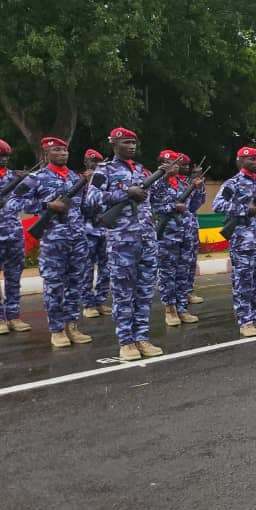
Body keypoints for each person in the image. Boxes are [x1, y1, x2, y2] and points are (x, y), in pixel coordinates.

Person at [85, 127, 164, 360]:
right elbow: (92, 199)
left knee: (144, 292)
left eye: (134, 143)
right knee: (123, 292)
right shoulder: (104, 170)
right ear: (114, 145)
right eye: (126, 142)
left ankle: (142, 337)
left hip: (147, 239)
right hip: (122, 240)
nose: (131, 146)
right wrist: (124, 192)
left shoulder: (142, 170)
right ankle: (126, 341)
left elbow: (158, 199)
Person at [20, 137, 91, 347]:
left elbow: (84, 207)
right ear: (46, 154)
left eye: (65, 150)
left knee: (75, 284)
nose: (63, 153)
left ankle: (72, 325)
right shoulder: (37, 178)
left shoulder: (74, 177)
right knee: (54, 285)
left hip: (77, 239)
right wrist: (46, 205)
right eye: (58, 150)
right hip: (53, 240)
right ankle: (57, 330)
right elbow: (17, 200)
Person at [211, 146, 256, 337]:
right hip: (242, 242)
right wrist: (242, 209)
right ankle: (245, 321)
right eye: (252, 159)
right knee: (243, 283)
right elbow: (217, 205)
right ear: (240, 161)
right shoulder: (232, 183)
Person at [150, 150, 198, 327]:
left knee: (183, 273)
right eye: (172, 163)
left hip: (185, 233)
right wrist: (172, 206)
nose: (176, 166)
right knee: (168, 274)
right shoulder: (154, 182)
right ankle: (170, 309)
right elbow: (152, 205)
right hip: (167, 235)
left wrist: (198, 190)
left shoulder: (182, 183)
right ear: (162, 164)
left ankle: (182, 308)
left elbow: (193, 206)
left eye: (177, 163)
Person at [0, 139, 30, 334]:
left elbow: (27, 203)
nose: (3, 160)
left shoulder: (14, 177)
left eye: (5, 157)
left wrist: (26, 182)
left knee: (13, 276)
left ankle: (13, 315)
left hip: (13, 233)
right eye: (0, 156)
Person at [80, 149, 112, 318]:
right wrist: (85, 184)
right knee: (87, 268)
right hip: (87, 230)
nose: (94, 166)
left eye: (98, 163)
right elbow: (80, 206)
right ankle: (87, 303)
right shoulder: (79, 181)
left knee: (105, 267)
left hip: (104, 229)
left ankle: (100, 300)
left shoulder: (102, 179)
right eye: (91, 162)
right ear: (85, 162)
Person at [177, 153, 207, 307]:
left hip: (190, 227)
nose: (186, 168)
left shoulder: (188, 183)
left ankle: (188, 291)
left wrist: (199, 188)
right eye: (183, 165)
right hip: (175, 230)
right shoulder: (174, 184)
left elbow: (196, 205)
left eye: (188, 166)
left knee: (190, 262)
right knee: (178, 266)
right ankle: (177, 298)